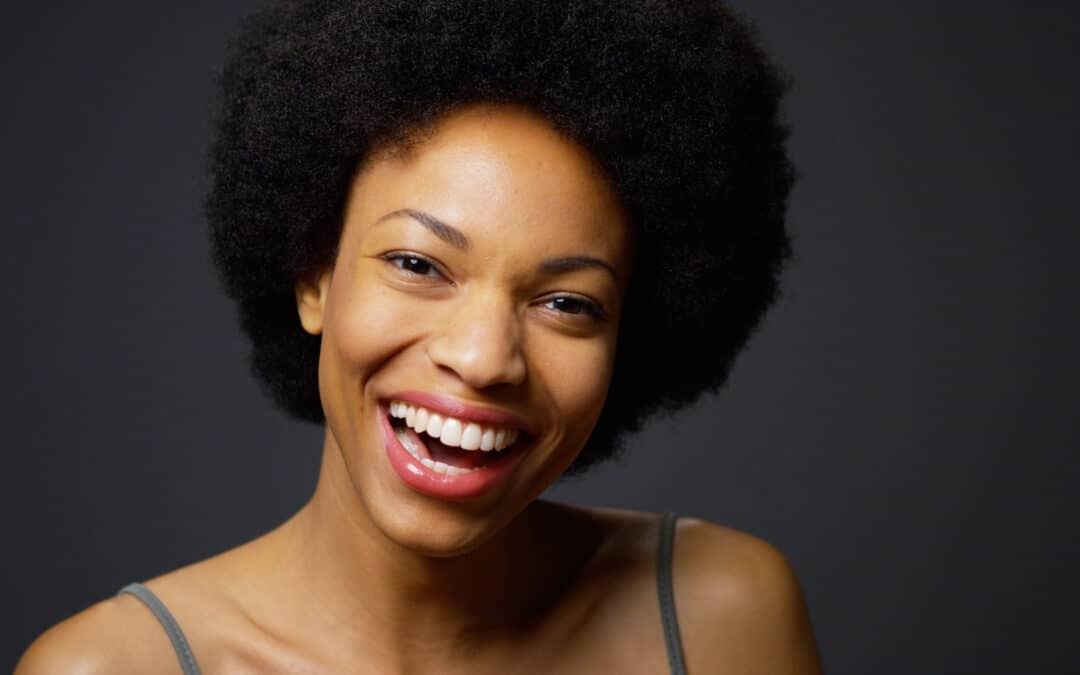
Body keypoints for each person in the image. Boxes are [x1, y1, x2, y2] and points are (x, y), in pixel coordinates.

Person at [17, 1, 823, 672]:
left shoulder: (722, 616)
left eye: (568, 304)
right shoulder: (116, 667)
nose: (481, 358)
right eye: (418, 262)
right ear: (314, 277)